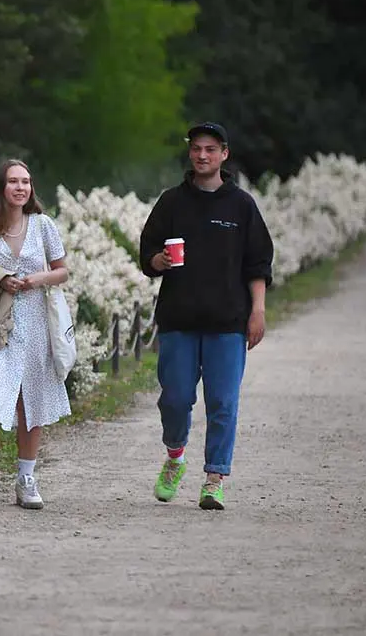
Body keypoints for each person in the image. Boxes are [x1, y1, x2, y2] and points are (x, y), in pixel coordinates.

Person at [138, 122, 274, 510]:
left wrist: (257, 312)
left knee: (223, 402)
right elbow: (147, 252)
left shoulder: (242, 205)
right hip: (179, 319)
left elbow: (258, 263)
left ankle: (214, 477)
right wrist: (157, 260)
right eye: (196, 148)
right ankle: (175, 456)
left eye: (210, 149)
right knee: (176, 399)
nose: (202, 155)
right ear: (189, 152)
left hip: (228, 322)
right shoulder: (171, 202)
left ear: (224, 154)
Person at [0, 158, 72, 511]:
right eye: (14, 181)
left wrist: (35, 279)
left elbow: (62, 272)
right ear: (0, 187)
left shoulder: (42, 225)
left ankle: (26, 478)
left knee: (31, 402)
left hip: (37, 322)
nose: (21, 187)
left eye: (26, 182)